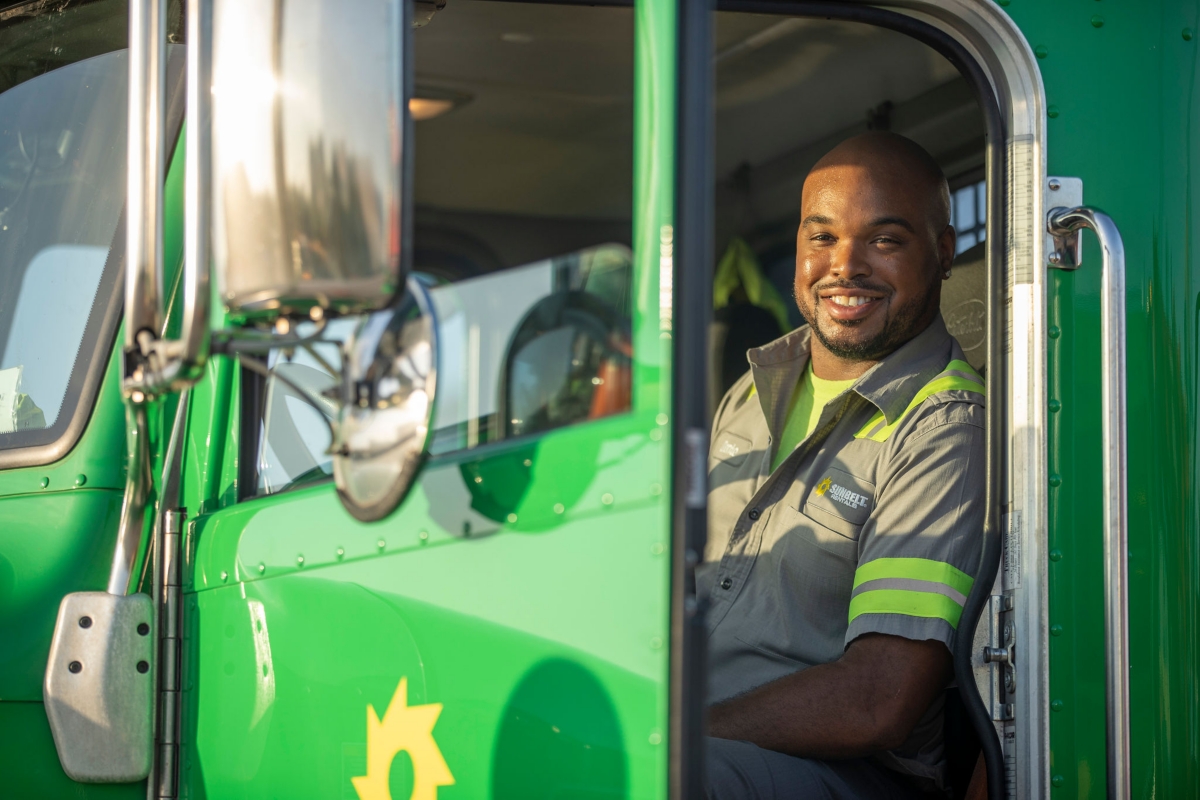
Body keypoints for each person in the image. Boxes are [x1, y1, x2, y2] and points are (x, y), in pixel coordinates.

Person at [701, 131, 985, 799]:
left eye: (884, 241)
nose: (844, 266)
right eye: (821, 237)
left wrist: (675, 735)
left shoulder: (944, 426)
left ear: (942, 253)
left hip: (848, 774)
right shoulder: (752, 387)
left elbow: (876, 700)